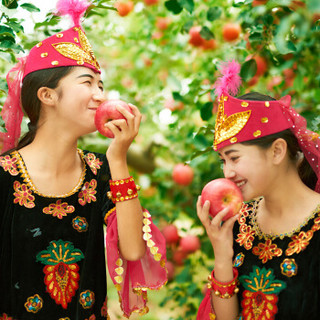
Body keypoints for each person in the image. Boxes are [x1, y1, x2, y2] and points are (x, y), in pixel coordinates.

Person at [0, 0, 167, 319]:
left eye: (101, 85)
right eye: (87, 83)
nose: (101, 95)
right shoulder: (4, 174)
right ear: (47, 96)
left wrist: (118, 158)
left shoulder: (99, 169)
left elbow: (133, 250)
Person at [196, 60, 320, 320]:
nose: (227, 173)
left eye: (234, 158)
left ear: (277, 151)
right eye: (223, 161)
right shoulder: (240, 222)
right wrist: (221, 251)